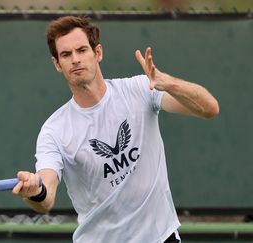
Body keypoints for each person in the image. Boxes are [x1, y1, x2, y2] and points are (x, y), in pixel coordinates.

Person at [12, 16, 219, 243]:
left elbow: (208, 109)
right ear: (57, 64)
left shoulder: (141, 89)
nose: (75, 60)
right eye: (66, 55)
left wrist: (168, 83)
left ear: (97, 53)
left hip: (162, 237)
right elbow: (46, 195)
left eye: (82, 50)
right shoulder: (54, 130)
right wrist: (36, 191)